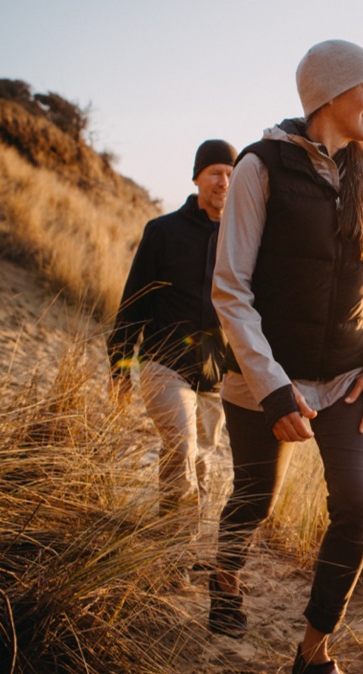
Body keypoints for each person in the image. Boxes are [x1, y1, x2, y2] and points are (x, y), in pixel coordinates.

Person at [208, 39, 363, 674]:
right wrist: (274, 390)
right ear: (325, 93)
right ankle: (225, 576)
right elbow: (230, 289)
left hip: (349, 378)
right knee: (256, 498)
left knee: (358, 505)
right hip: (268, 378)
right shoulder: (260, 167)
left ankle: (313, 656)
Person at [107, 139, 237, 543]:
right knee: (181, 447)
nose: (223, 182)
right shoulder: (163, 231)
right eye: (215, 172)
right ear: (197, 176)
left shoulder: (241, 241)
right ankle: (176, 554)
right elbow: (134, 303)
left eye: (231, 175)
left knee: (200, 461)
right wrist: (120, 369)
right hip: (163, 365)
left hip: (214, 377)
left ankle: (173, 540)